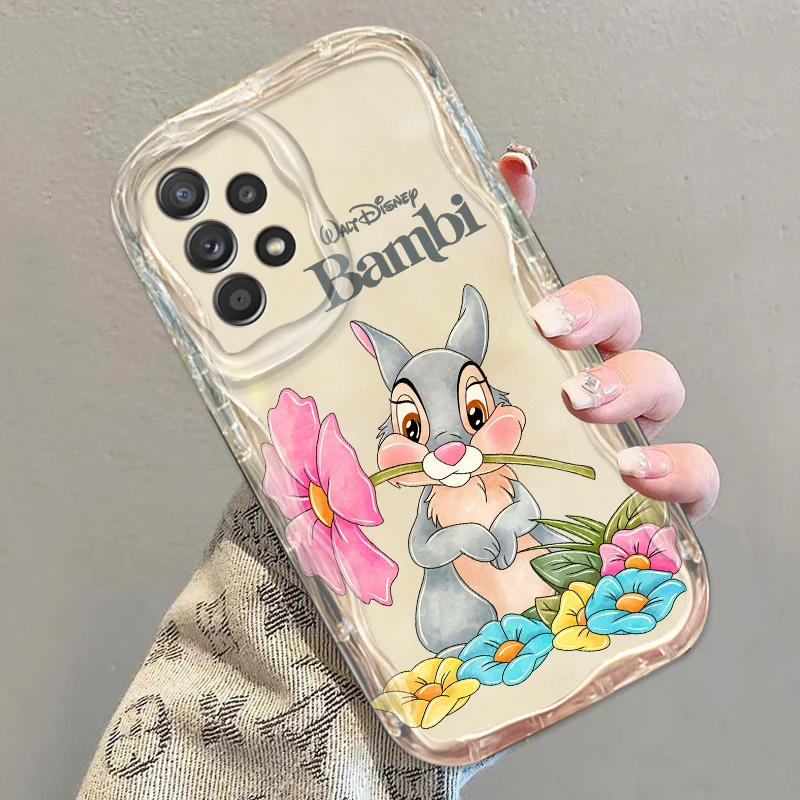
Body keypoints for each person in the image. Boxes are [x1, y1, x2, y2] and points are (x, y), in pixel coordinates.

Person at [76, 145, 720, 800]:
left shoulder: (502, 475)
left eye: (474, 413)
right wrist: (298, 597)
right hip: (456, 624)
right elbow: (427, 549)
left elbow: (525, 512)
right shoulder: (429, 506)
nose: (448, 447)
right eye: (414, 428)